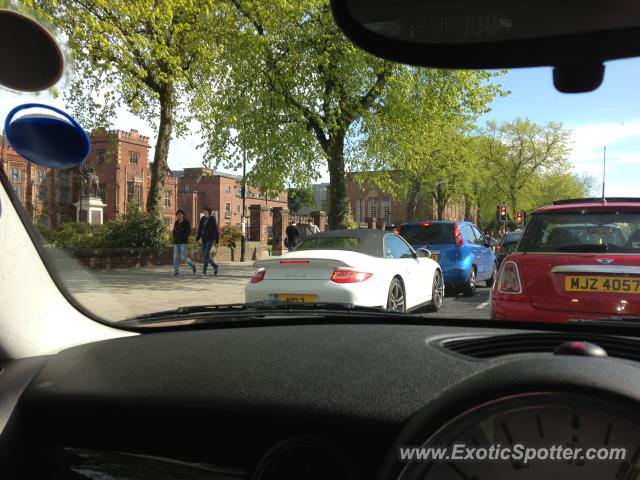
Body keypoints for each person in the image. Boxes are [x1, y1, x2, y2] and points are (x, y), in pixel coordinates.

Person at [196, 206, 219, 277]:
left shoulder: (212, 218)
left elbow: (215, 229)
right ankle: (215, 266)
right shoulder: (202, 218)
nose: (203, 212)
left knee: (206, 254)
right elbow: (200, 229)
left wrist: (217, 241)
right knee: (205, 255)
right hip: (204, 239)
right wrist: (198, 238)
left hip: (210, 239)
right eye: (203, 211)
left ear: (208, 211)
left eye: (205, 211)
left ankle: (204, 272)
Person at [172, 210, 197, 276]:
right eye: (177, 214)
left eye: (180, 214)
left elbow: (188, 231)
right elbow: (174, 231)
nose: (179, 216)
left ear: (183, 215)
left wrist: (184, 237)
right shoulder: (176, 222)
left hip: (183, 242)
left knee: (184, 257)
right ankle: (176, 271)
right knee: (175, 258)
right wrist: (175, 237)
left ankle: (192, 265)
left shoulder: (186, 222)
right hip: (176, 242)